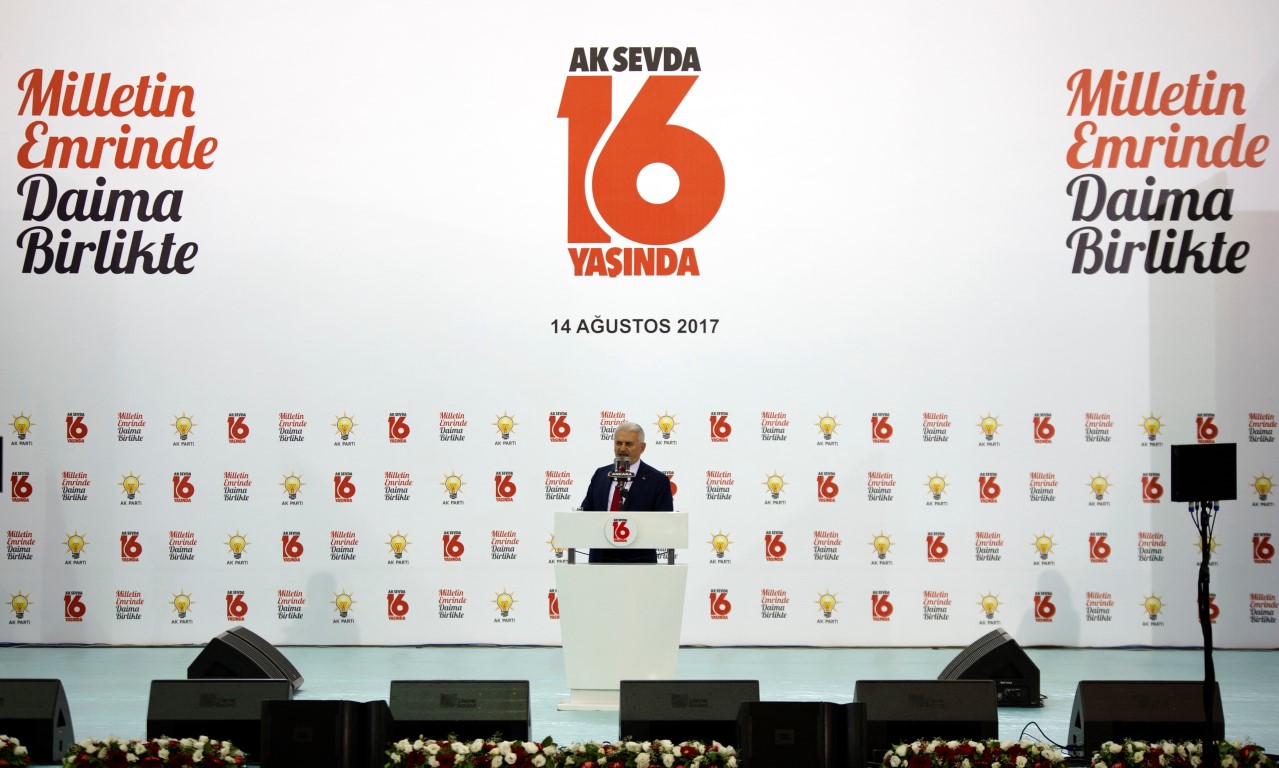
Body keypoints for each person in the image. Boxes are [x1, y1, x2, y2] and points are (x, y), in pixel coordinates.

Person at [579, 421, 674, 563]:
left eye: (629, 444)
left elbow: (664, 523)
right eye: (618, 443)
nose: (622, 448)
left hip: (639, 562)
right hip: (600, 560)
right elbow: (586, 512)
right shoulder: (600, 474)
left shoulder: (658, 480)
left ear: (642, 447)